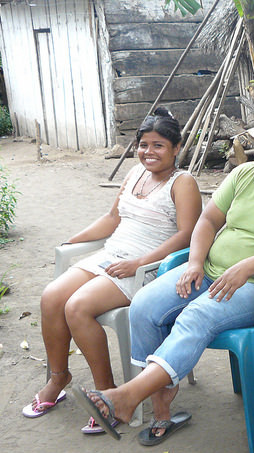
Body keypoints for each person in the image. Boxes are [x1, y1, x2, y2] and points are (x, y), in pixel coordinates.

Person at [72, 103, 254, 445]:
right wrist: (195, 262)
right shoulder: (244, 173)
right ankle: (161, 408)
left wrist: (247, 267)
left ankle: (124, 398)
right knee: (144, 305)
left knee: (195, 316)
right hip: (208, 272)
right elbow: (208, 221)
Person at [22, 108, 202, 436]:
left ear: (176, 148)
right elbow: (112, 218)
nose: (149, 152)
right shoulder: (134, 173)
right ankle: (59, 377)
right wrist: (73, 240)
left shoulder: (183, 182)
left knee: (77, 307)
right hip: (111, 257)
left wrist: (139, 262)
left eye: (159, 145)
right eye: (143, 144)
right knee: (51, 298)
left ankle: (107, 396)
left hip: (147, 268)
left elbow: (186, 236)